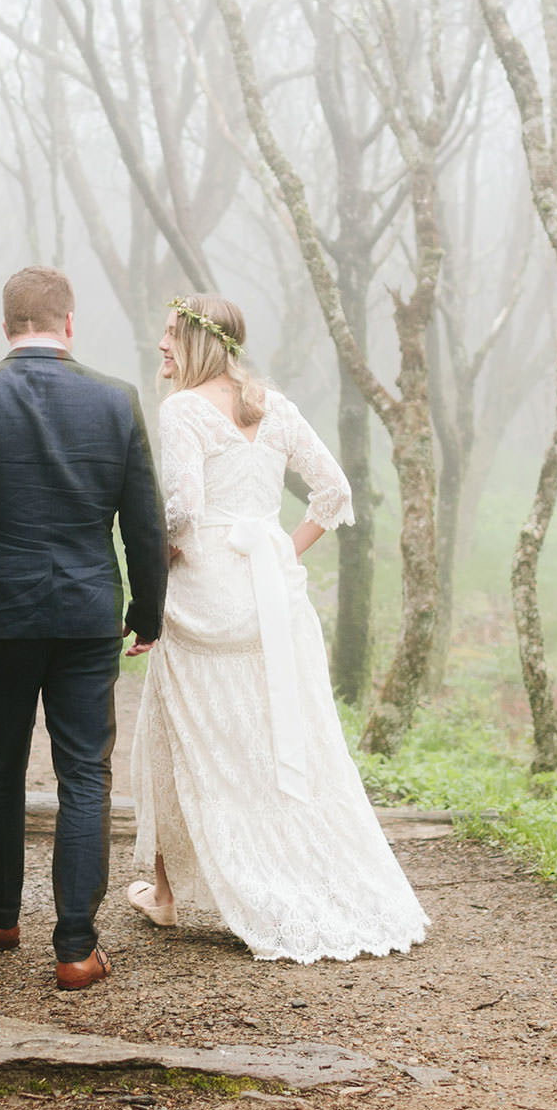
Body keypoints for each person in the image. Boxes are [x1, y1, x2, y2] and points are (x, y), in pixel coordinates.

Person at [127, 294, 427, 962]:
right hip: (272, 600)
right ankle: (238, 880)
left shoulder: (182, 410)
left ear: (200, 342)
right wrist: (281, 551)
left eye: (170, 334)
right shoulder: (274, 404)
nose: (161, 346)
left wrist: (157, 566)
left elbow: (179, 513)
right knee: (282, 736)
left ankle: (169, 895)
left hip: (204, 595)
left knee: (177, 733)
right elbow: (335, 494)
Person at [0, 266, 166, 991]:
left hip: (3, 615)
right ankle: (77, 949)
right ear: (70, 323)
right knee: (85, 776)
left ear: (8, 324)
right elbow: (144, 521)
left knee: (0, 768)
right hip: (86, 618)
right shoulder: (117, 401)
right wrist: (147, 612)